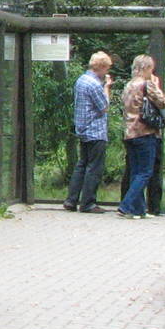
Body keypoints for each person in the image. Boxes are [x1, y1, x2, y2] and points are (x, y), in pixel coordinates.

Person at [118, 54, 165, 219]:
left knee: (135, 171)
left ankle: (138, 210)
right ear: (146, 68)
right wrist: (156, 84)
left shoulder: (128, 85)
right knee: (146, 172)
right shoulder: (146, 84)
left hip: (129, 132)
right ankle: (126, 205)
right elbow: (162, 102)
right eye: (150, 69)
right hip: (145, 132)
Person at [63, 51, 112, 214]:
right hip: (95, 131)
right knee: (94, 168)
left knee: (82, 165)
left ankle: (71, 200)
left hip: (83, 130)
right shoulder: (94, 84)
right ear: (102, 67)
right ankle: (88, 203)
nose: (107, 72)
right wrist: (107, 87)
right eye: (107, 68)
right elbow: (104, 106)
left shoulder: (81, 80)